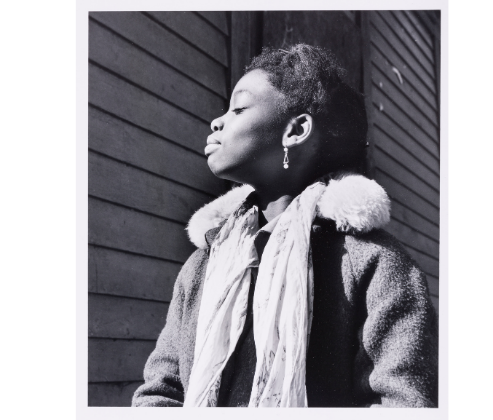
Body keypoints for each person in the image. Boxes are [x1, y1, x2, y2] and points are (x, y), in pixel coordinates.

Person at [132, 44, 438, 408]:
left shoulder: (375, 265)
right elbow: (160, 393)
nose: (217, 121)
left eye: (239, 108)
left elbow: (403, 403)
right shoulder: (202, 265)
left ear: (296, 131)